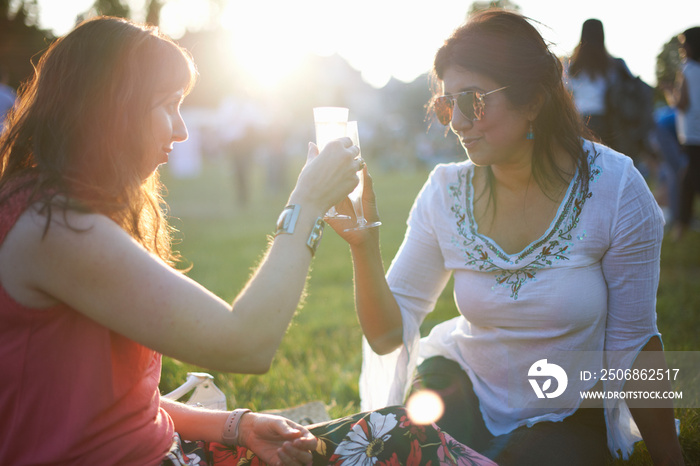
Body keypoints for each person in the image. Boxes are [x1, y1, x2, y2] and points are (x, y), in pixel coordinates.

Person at [0, 16, 497, 466]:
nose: (180, 130)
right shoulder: (54, 226)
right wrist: (306, 201)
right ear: (110, 109)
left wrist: (235, 425)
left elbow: (122, 401)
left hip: (170, 448)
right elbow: (246, 342)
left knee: (403, 430)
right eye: (167, 106)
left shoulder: (60, 211)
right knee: (413, 447)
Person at [330, 10, 685, 466]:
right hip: (457, 388)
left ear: (534, 100)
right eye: (445, 105)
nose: (456, 122)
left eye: (473, 101)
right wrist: (363, 245)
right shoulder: (445, 191)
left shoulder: (614, 188)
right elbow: (386, 337)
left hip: (567, 406)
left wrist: (671, 458)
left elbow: (636, 344)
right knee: (407, 446)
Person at [665, 26, 700, 240]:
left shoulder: (687, 68)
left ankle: (681, 226)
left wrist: (670, 91)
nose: (681, 47)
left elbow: (682, 103)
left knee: (687, 181)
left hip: (691, 133)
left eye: (683, 42)